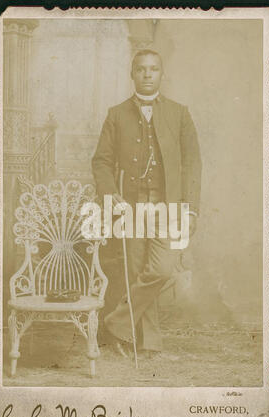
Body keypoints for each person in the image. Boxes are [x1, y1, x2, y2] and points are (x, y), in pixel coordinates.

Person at [92, 49, 201, 358]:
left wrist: (190, 208)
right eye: (141, 69)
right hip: (130, 207)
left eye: (153, 69)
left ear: (161, 74)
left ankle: (115, 322)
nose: (148, 74)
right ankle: (149, 342)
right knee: (139, 269)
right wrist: (110, 192)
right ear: (133, 74)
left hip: (167, 208)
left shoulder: (180, 113)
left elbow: (193, 164)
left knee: (162, 269)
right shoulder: (116, 114)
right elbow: (100, 161)